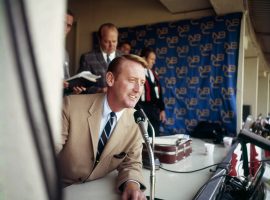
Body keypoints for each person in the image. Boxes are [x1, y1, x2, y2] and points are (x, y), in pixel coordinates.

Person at [57, 54, 147, 200]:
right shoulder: (70, 106)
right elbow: (44, 154)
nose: (138, 89)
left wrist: (132, 184)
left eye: (142, 83)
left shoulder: (136, 119)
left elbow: (132, 163)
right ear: (110, 79)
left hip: (98, 192)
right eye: (132, 80)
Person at [78, 23, 122, 94]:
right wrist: (98, 91)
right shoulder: (87, 58)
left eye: (114, 41)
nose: (111, 45)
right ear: (99, 40)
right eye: (107, 41)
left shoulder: (124, 57)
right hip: (97, 101)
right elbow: (81, 85)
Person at [136, 47, 166, 137]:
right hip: (142, 108)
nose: (154, 62)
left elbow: (159, 93)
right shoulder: (137, 72)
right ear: (144, 58)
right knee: (143, 135)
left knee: (154, 134)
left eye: (154, 59)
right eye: (151, 59)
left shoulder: (154, 74)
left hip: (154, 110)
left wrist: (162, 109)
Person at [63, 9, 86, 95]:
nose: (65, 28)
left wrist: (72, 91)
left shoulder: (65, 53)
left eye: (68, 25)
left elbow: (66, 80)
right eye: (62, 23)